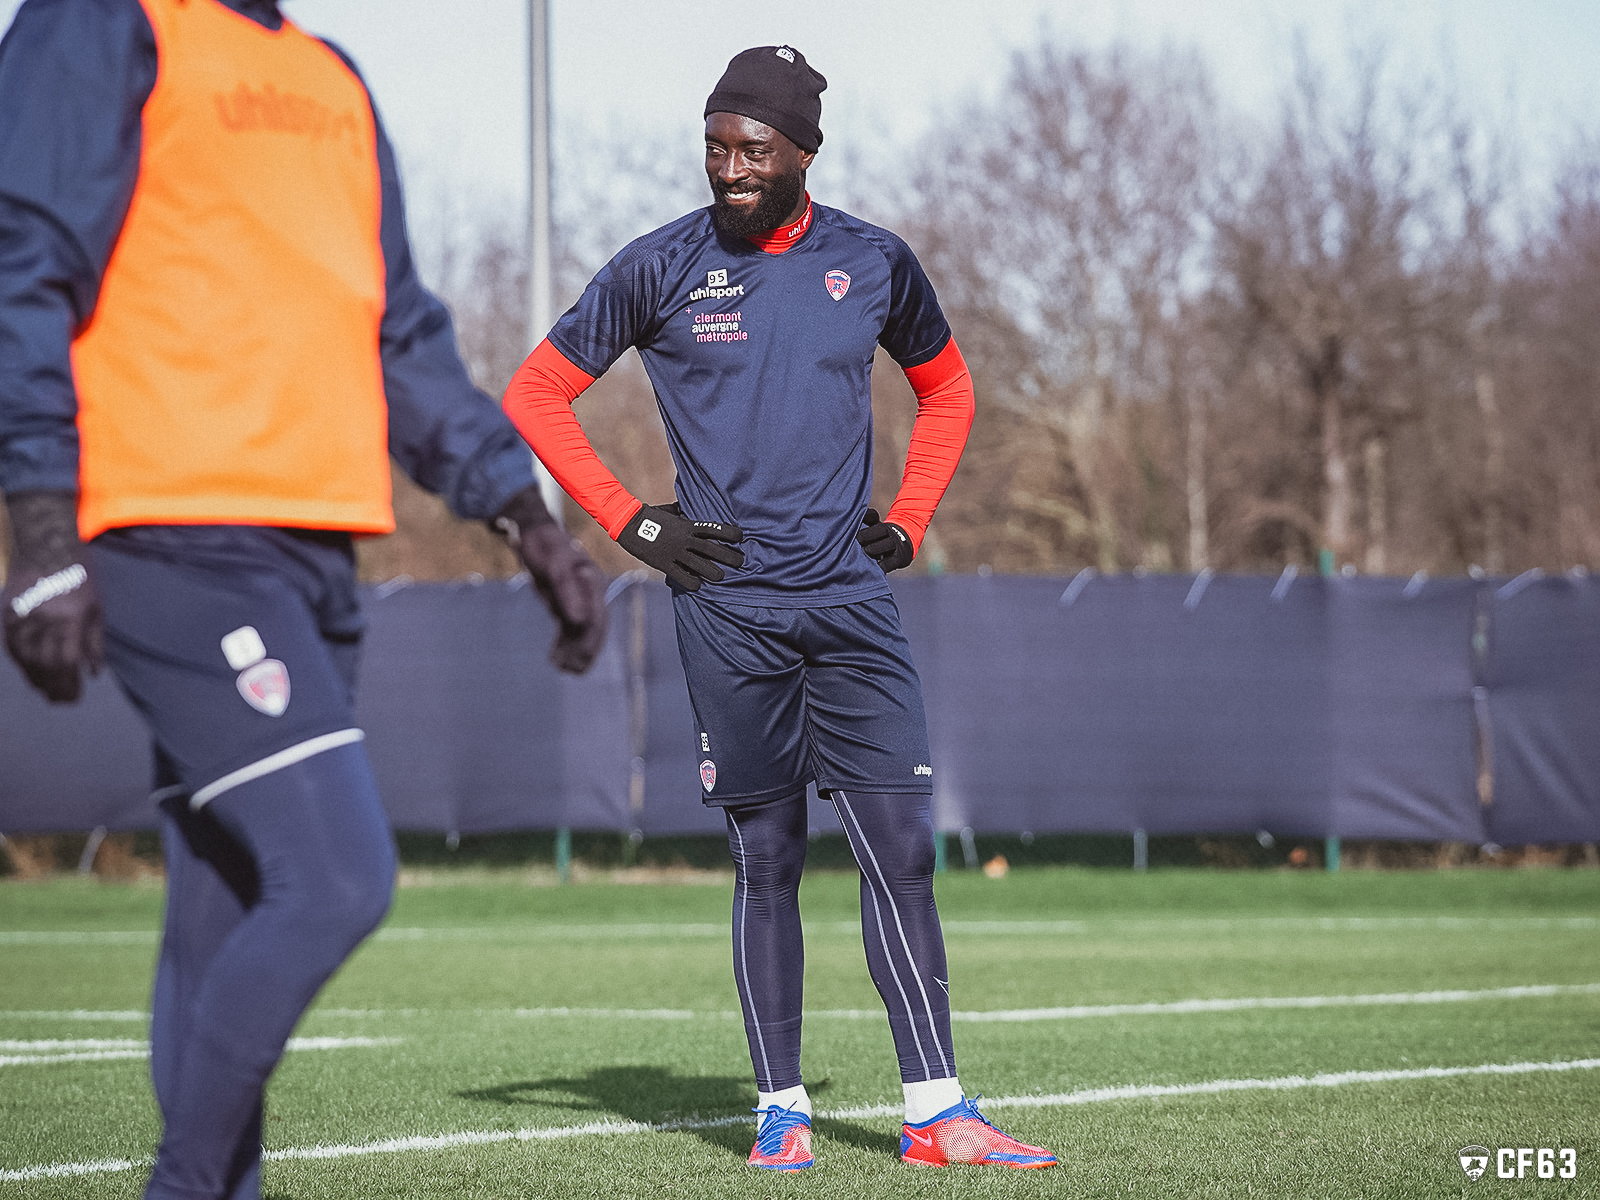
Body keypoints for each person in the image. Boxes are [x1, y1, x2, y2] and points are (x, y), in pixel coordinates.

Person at [0, 1, 609, 1196]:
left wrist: (524, 519)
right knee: (337, 876)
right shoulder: (106, 21)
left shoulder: (328, 75)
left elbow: (403, 338)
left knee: (224, 908)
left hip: (317, 551)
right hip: (171, 529)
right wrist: (34, 522)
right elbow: (20, 256)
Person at [503, 45, 1056, 1172]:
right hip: (728, 610)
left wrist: (910, 518)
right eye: (715, 147)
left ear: (804, 150)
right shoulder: (660, 266)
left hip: (851, 605)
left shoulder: (874, 261)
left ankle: (938, 1113)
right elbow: (537, 392)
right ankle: (781, 1109)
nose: (731, 168)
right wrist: (630, 521)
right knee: (769, 857)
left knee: (901, 850)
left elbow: (945, 390)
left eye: (754, 148)